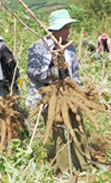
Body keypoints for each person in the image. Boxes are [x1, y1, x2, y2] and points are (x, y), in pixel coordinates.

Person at [26, 9, 92, 174]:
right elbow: (31, 71)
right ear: (54, 30)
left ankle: (86, 166)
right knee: (58, 133)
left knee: (78, 128)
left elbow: (74, 73)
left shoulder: (70, 47)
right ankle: (65, 170)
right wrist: (50, 73)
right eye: (65, 28)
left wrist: (80, 93)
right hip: (48, 96)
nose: (68, 32)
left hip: (68, 95)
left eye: (69, 28)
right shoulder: (38, 47)